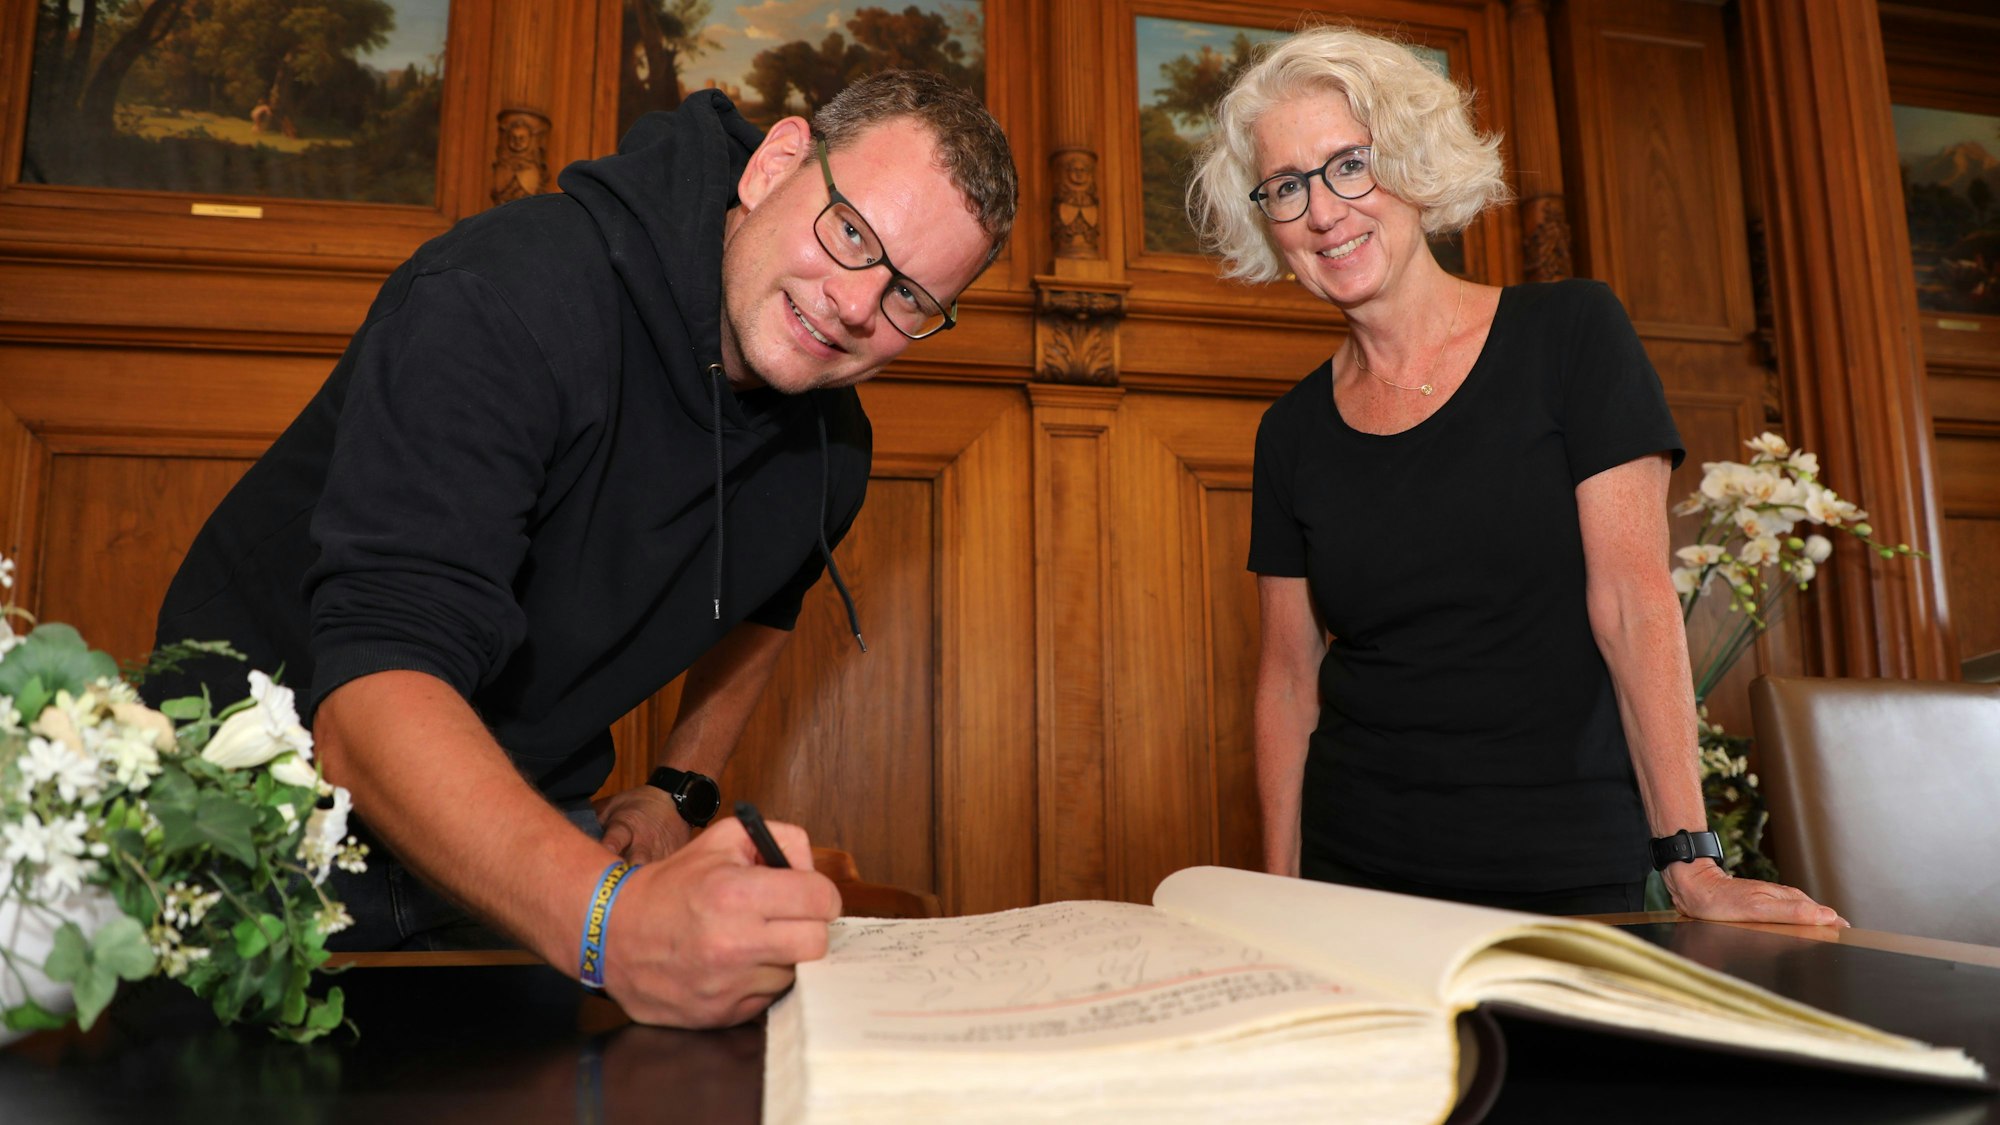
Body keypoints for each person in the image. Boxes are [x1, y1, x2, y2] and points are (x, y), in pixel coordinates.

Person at [147, 70, 1018, 1027]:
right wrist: (616, 920)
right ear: (775, 166)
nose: (856, 305)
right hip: (241, 827)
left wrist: (680, 788)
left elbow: (768, 603)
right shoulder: (506, 293)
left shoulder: (832, 453)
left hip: (513, 850)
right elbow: (366, 703)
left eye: (909, 296)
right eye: (851, 232)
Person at [1187, 26, 1840, 923]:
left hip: (1567, 868)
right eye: (1288, 186)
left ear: (1412, 164)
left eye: (1350, 165)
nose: (1324, 211)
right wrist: (1282, 894)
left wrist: (1692, 861)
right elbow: (1289, 681)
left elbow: (1634, 606)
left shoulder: (1572, 334)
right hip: (1357, 877)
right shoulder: (1289, 432)